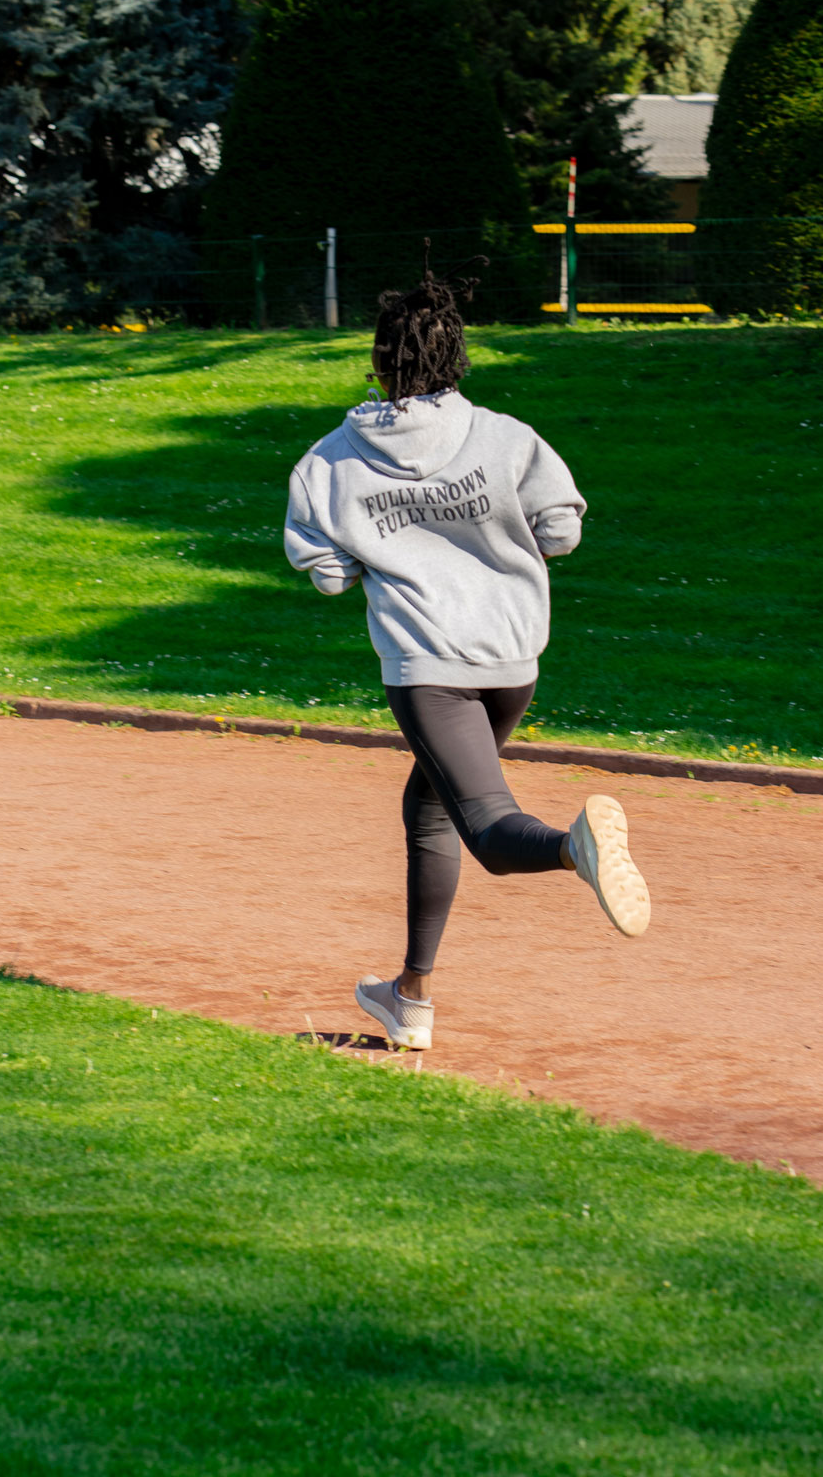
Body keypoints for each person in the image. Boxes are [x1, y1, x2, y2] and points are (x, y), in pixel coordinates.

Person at [283, 260, 650, 1052]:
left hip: (429, 672)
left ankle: (573, 848)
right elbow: (561, 531)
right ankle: (409, 996)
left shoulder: (328, 460)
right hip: (512, 662)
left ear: (379, 362)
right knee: (429, 807)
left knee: (484, 825)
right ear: (457, 359)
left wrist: (385, 548)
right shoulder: (506, 436)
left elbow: (329, 575)